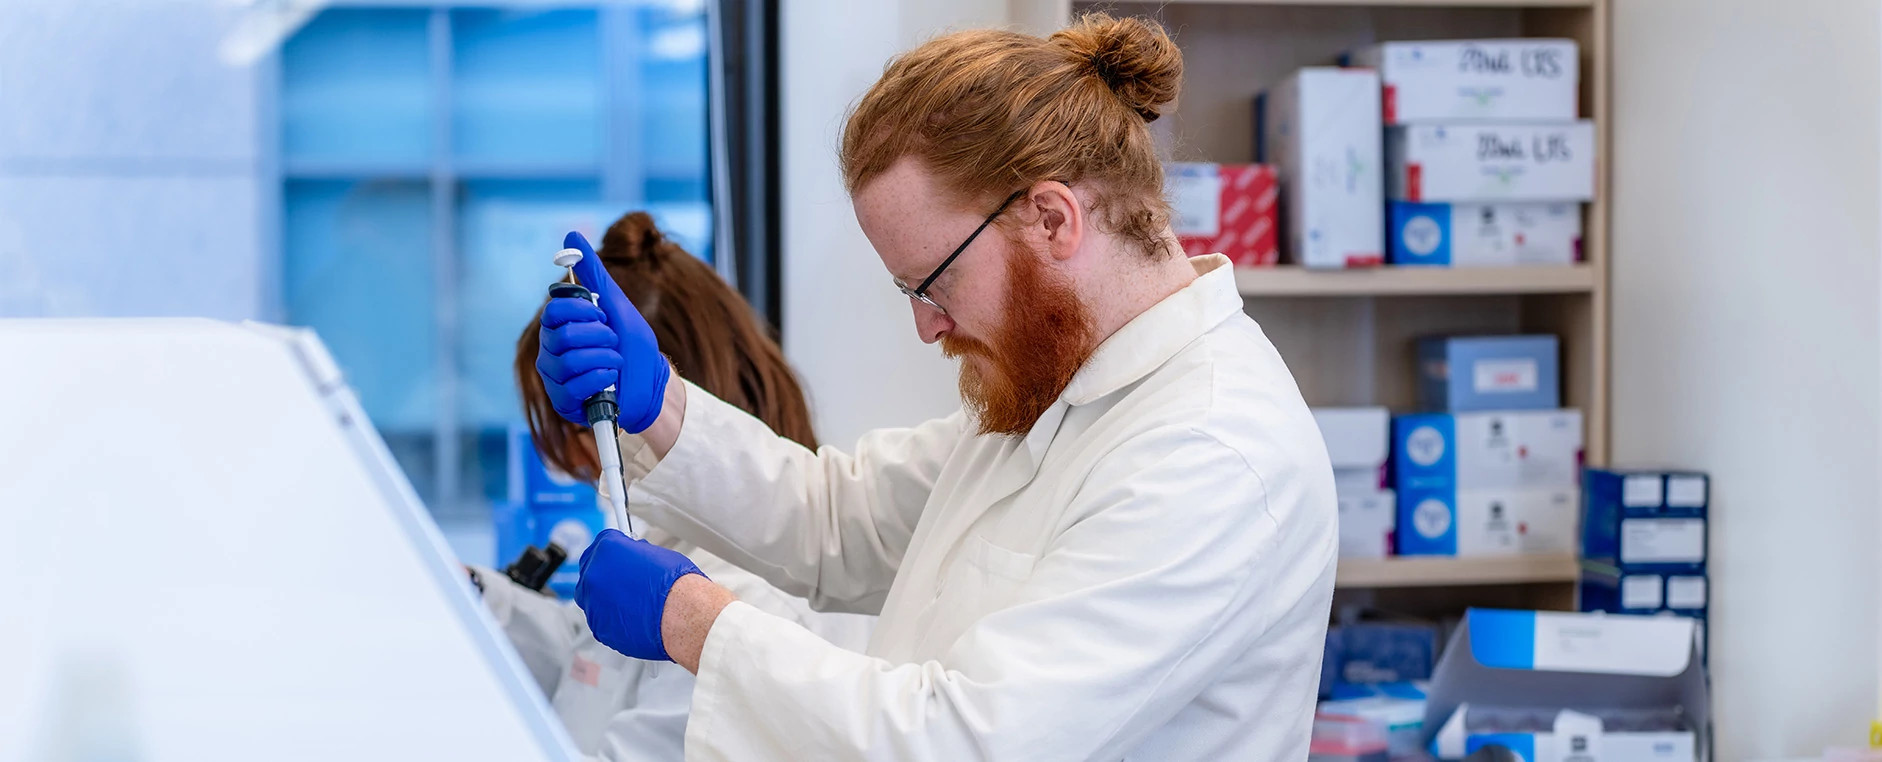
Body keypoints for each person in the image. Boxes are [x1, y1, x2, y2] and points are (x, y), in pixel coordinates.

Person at [535, 14, 1337, 760]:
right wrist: (660, 407)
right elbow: (835, 521)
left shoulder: (1210, 451)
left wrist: (695, 624)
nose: (927, 327)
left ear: (1053, 219)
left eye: (933, 282)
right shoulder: (1063, 394)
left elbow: (972, 739)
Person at [478, 211, 871, 761]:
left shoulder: (743, 595)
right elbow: (589, 661)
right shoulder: (665, 553)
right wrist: (474, 596)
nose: (571, 465)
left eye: (576, 431)